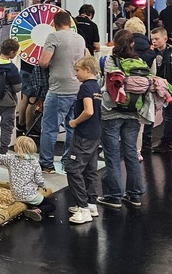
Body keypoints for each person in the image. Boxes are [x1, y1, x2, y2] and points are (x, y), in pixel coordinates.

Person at [97, 31, 146, 210]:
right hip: (133, 113)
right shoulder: (140, 62)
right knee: (131, 154)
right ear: (132, 43)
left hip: (111, 112)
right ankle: (134, 194)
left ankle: (113, 196)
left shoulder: (109, 61)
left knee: (112, 155)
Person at [37, 10, 87, 173]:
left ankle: (46, 163)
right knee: (72, 125)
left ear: (54, 24)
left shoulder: (54, 37)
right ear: (70, 23)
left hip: (59, 89)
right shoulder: (79, 38)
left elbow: (43, 62)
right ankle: (67, 161)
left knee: (49, 127)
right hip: (77, 88)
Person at [0, 137, 54, 222]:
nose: (13, 145)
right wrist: (43, 186)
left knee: (32, 201)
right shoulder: (34, 162)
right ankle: (37, 211)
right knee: (51, 205)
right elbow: (38, 178)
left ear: (19, 148)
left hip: (16, 194)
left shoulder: (11, 159)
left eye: (15, 144)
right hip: (30, 195)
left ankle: (32, 207)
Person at [64, 56, 102, 224]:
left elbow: (89, 111)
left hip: (84, 135)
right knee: (89, 169)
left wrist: (74, 122)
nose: (76, 74)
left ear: (88, 69)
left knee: (72, 168)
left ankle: (83, 208)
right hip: (94, 134)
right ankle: (91, 204)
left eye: (77, 71)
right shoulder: (96, 87)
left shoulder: (86, 88)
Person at [148, 28, 172, 153]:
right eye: (152, 39)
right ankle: (150, 140)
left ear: (165, 38)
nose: (154, 41)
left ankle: (167, 142)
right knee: (154, 114)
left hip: (168, 87)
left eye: (157, 39)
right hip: (155, 86)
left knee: (167, 115)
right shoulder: (152, 53)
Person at [0, 38, 22, 154]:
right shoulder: (12, 69)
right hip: (8, 102)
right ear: (11, 53)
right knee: (6, 128)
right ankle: (3, 152)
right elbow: (17, 88)